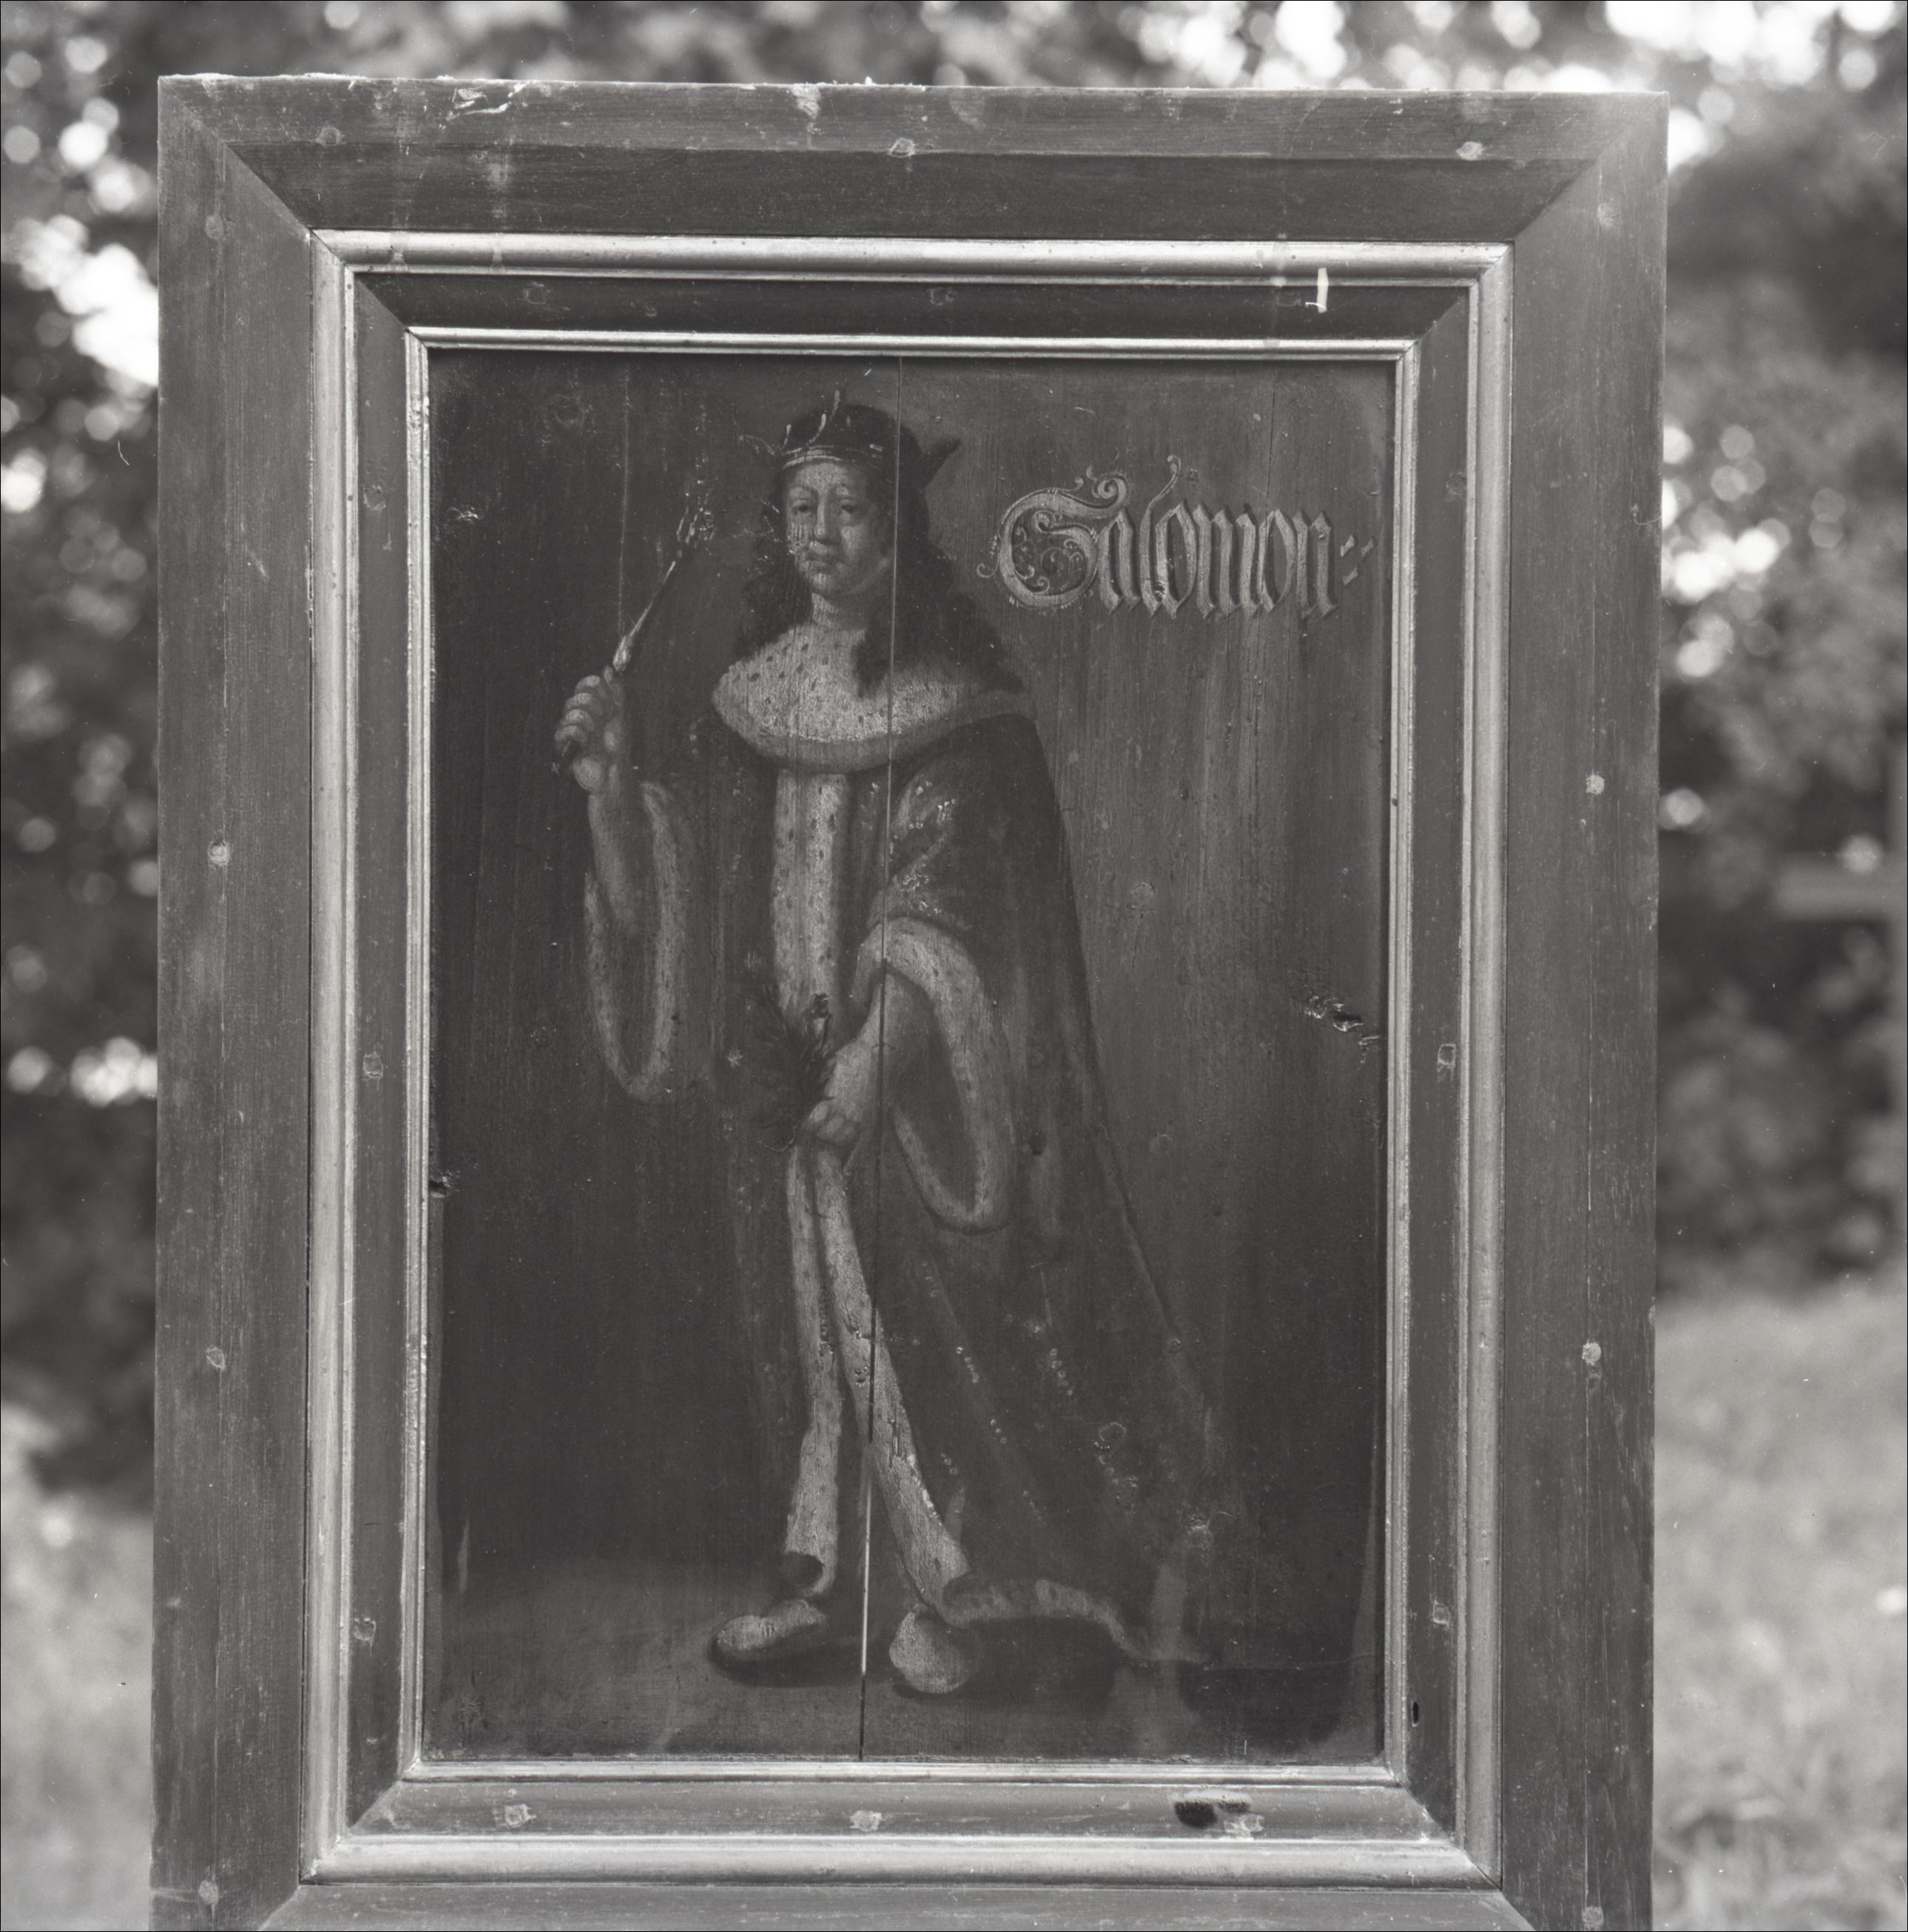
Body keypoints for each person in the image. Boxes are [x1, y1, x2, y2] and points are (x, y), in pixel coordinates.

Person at [556, 396, 1213, 1697]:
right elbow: (687, 911)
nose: (821, 533)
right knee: (812, 1332)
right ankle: (832, 1583)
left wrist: (872, 1062)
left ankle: (955, 1593)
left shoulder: (957, 715)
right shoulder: (751, 699)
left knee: (926, 1332)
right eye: (800, 508)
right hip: (785, 1097)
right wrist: (612, 797)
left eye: (849, 509)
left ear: (897, 531)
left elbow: (951, 907)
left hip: (913, 1105)